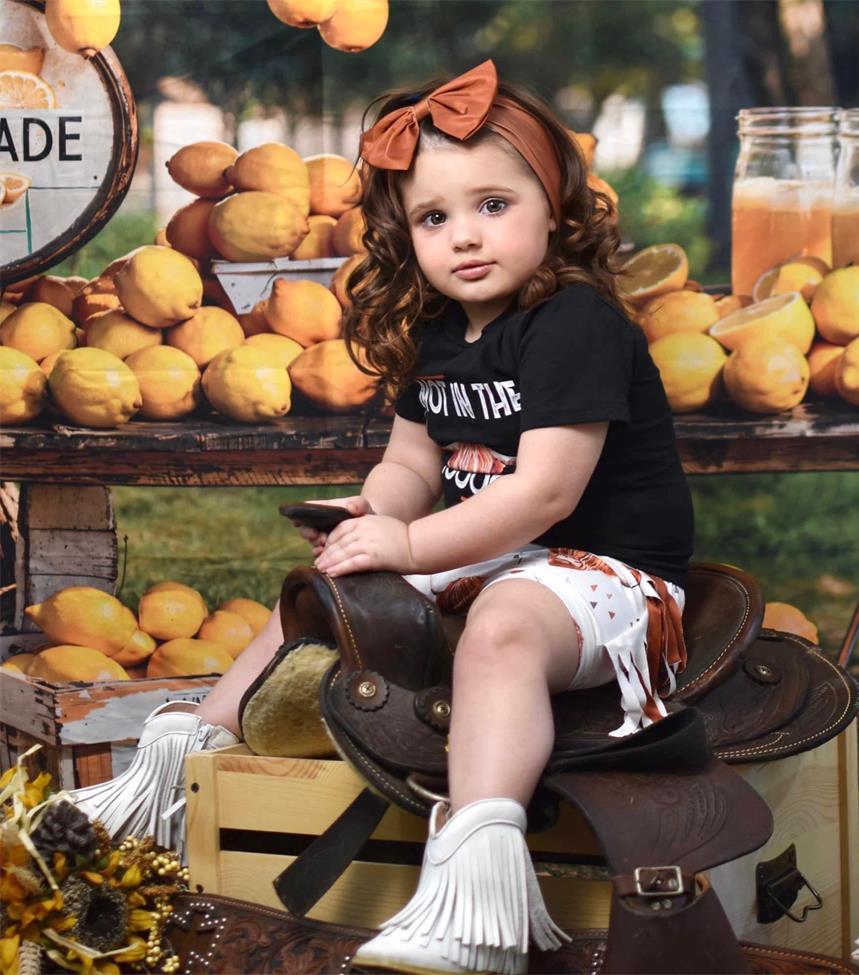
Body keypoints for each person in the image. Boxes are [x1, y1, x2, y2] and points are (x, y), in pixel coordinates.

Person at [69, 59, 695, 975]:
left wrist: (410, 542)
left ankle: (475, 891)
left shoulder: (577, 322)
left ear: (556, 205)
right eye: (436, 218)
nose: (465, 237)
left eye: (494, 205)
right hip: (507, 555)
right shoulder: (438, 335)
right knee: (324, 590)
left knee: (503, 626)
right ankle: (178, 770)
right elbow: (411, 464)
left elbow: (547, 492)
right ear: (406, 235)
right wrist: (373, 519)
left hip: (609, 573)